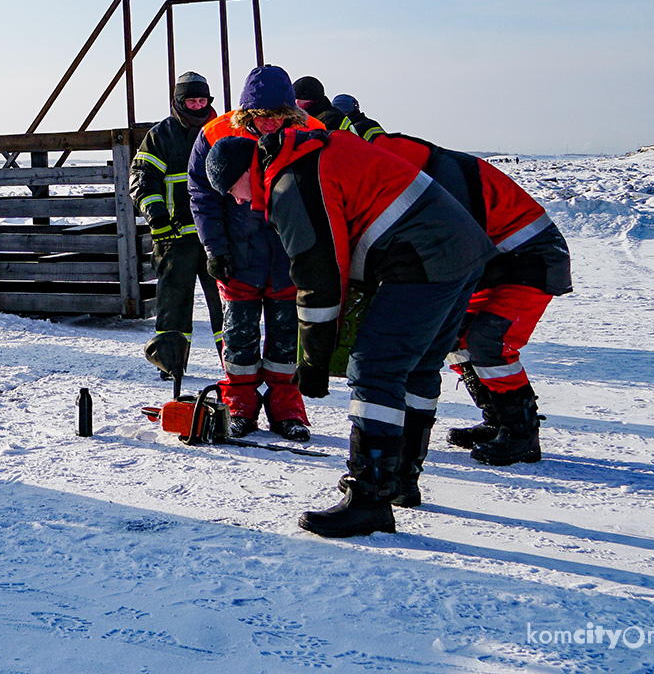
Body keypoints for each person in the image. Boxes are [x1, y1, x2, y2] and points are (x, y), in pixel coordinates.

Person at [206, 126, 495, 538]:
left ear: (243, 172)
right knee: (418, 368)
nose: (237, 200)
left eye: (232, 190)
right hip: (461, 249)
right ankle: (400, 481)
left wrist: (314, 362)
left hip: (422, 256)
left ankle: (369, 498)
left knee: (375, 369)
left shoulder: (291, 185)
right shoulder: (308, 155)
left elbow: (318, 279)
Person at [365, 131, 571, 475]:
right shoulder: (426, 172)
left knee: (489, 342)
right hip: (495, 263)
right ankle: (497, 418)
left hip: (531, 260)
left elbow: (460, 243)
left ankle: (522, 434)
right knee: (453, 336)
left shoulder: (446, 177)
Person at [185, 66, 311, 441]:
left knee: (286, 337)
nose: (269, 123)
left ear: (289, 113)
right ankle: (239, 405)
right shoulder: (215, 134)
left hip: (289, 256)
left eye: (277, 116)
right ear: (246, 113)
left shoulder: (312, 133)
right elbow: (202, 195)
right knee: (238, 335)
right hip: (238, 253)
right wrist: (215, 248)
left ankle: (287, 407)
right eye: (261, 116)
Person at [130, 71, 224, 383]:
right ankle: (172, 365)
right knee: (173, 304)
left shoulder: (222, 132)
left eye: (202, 100)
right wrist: (156, 215)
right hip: (173, 237)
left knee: (226, 301)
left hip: (216, 236)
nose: (197, 106)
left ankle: (236, 364)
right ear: (178, 101)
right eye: (191, 100)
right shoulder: (161, 136)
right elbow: (142, 178)